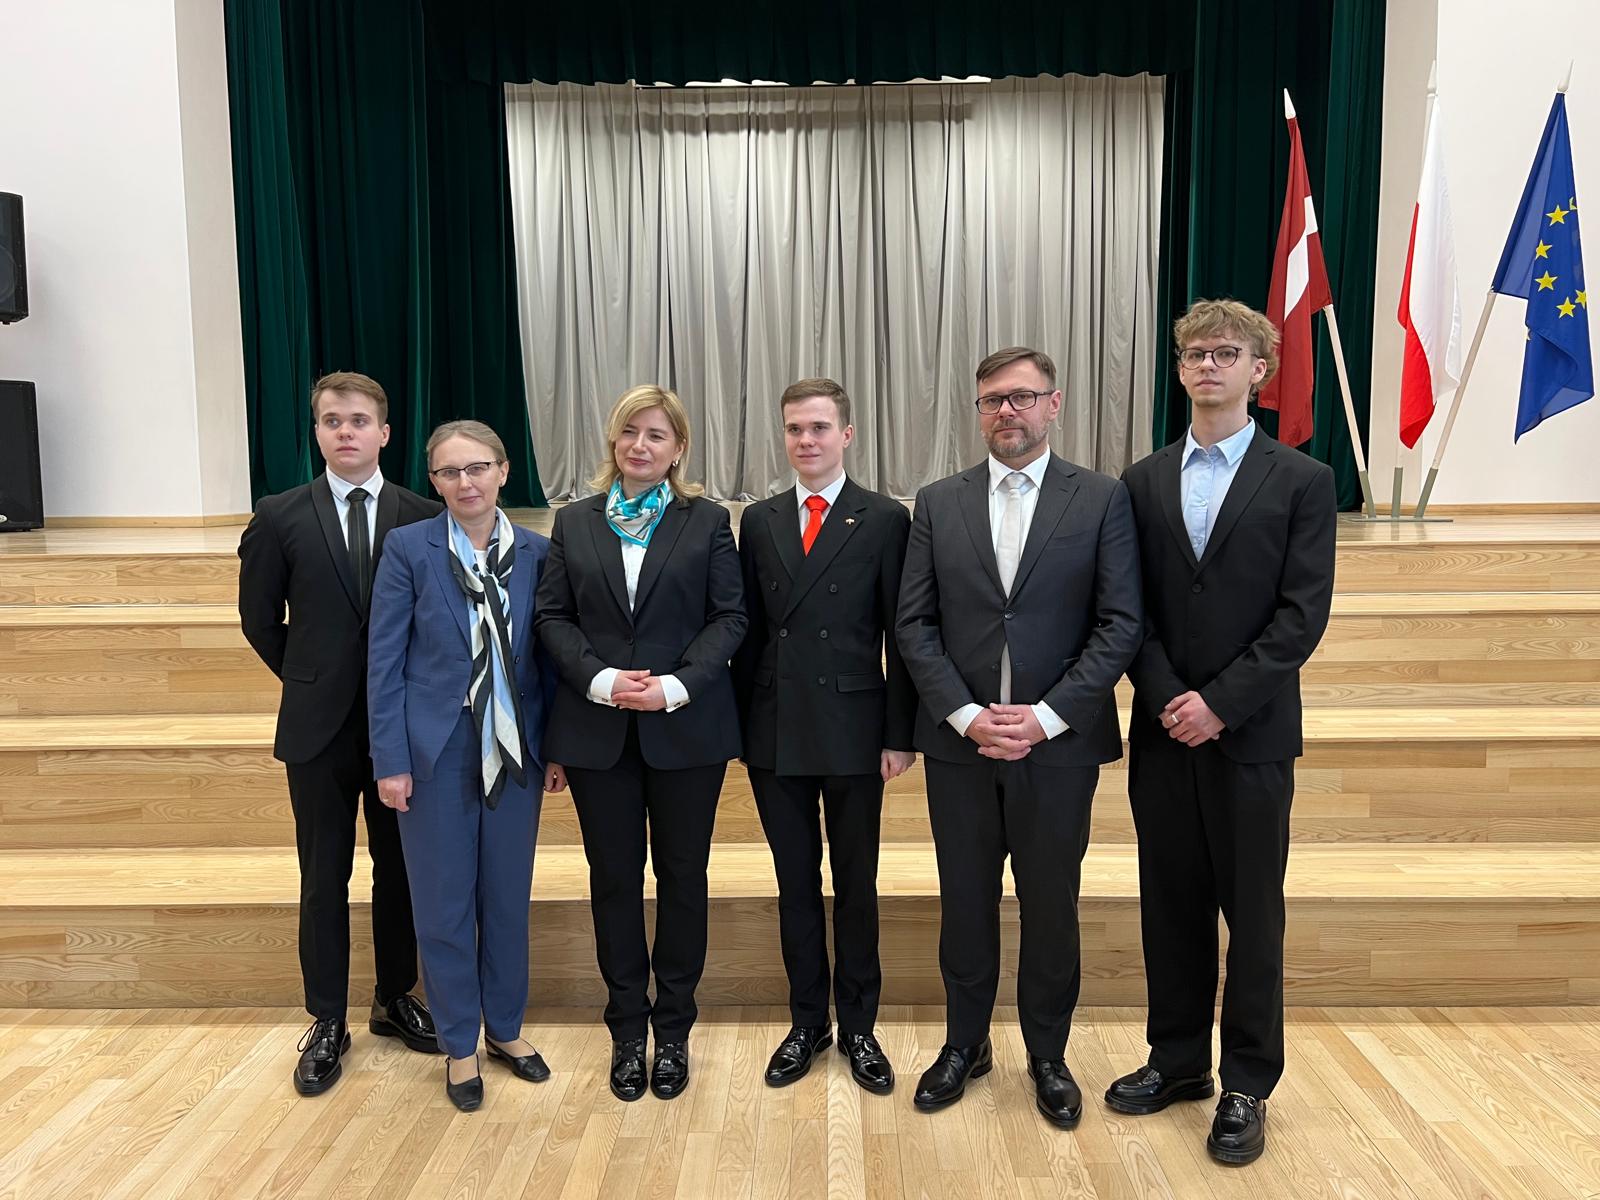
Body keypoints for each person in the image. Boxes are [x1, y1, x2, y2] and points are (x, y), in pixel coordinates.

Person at [1107, 299, 1336, 1165]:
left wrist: (1221, 704)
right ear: (1179, 370)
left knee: (1254, 914)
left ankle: (1246, 1082)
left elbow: (1300, 616)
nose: (1208, 364)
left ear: (1258, 370)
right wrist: (1173, 698)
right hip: (1165, 730)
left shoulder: (1303, 481)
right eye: (1195, 353)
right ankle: (1177, 1062)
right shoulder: (1141, 480)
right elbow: (1128, 609)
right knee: (1169, 903)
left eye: (1226, 352)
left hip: (1251, 735)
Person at [895, 346, 1142, 1128]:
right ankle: (964, 1045)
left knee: (1051, 906)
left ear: (1053, 404)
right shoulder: (938, 502)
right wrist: (966, 716)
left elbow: (1119, 623)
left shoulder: (1100, 498)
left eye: (1022, 397)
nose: (1007, 411)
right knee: (965, 902)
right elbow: (914, 623)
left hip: (1058, 748)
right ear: (978, 411)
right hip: (961, 747)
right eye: (992, 400)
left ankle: (1047, 1054)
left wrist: (1046, 716)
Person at [534, 385, 746, 1103]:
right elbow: (553, 617)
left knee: (684, 879)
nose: (640, 445)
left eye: (657, 435)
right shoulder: (575, 521)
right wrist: (599, 680)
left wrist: (675, 686)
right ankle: (627, 1029)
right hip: (598, 732)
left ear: (678, 448)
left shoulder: (707, 521)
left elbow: (730, 617)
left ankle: (674, 1028)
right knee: (615, 881)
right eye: (630, 432)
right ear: (613, 441)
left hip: (686, 729)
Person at [237, 371, 442, 1096]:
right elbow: (260, 620)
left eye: (359, 420)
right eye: (331, 420)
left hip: (402, 730)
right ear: (317, 432)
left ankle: (394, 996)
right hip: (318, 730)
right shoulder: (279, 515)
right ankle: (326, 1017)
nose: (345, 431)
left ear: (385, 432)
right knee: (323, 874)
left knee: (401, 869)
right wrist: (312, 678)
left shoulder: (424, 514)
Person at [367, 419, 559, 1112]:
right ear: (434, 481)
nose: (465, 482)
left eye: (477, 467)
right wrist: (391, 760)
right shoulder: (408, 549)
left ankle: (504, 1028)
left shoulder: (539, 552)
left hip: (514, 751)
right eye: (449, 472)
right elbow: (384, 661)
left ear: (503, 471)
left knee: (506, 900)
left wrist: (554, 748)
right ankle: (458, 1043)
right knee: (444, 905)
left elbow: (550, 660)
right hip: (434, 753)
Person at [732, 378, 915, 1095]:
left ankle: (860, 1025)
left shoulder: (884, 517)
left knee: (856, 884)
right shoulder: (760, 519)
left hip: (855, 729)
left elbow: (901, 635)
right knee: (795, 883)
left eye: (818, 427)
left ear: (847, 434)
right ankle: (807, 1021)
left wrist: (900, 733)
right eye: (794, 429)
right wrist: (742, 727)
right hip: (776, 729)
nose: (805, 440)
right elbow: (747, 632)